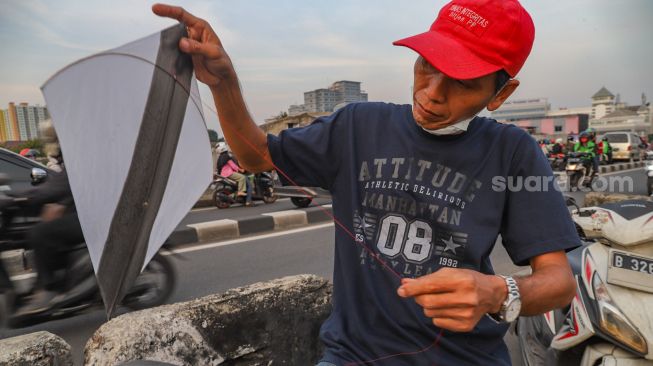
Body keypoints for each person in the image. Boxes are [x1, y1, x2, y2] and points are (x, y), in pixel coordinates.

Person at [153, 1, 579, 364]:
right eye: (427, 66)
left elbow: (558, 282)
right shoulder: (358, 125)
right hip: (352, 354)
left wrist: (497, 292)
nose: (431, 92)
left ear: (499, 95)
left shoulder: (514, 151)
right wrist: (224, 83)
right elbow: (254, 155)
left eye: (463, 82)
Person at [14, 120, 85, 315]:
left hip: (90, 218)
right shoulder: (73, 152)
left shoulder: (77, 154)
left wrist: (28, 197)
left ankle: (48, 288)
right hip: (82, 210)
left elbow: (61, 185)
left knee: (40, 233)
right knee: (43, 226)